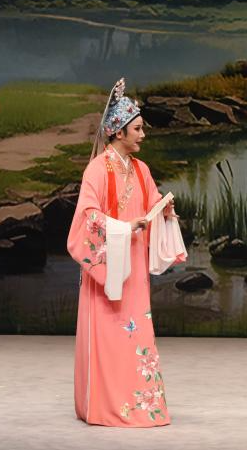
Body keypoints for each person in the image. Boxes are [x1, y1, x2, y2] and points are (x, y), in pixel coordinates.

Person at [67, 78, 185, 427]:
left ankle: (140, 404)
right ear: (118, 132)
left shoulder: (141, 170)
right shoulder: (97, 169)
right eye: (138, 129)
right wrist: (123, 228)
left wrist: (164, 211)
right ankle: (104, 405)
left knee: (137, 334)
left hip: (133, 267)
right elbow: (87, 217)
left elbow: (151, 206)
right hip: (108, 266)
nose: (143, 135)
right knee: (108, 334)